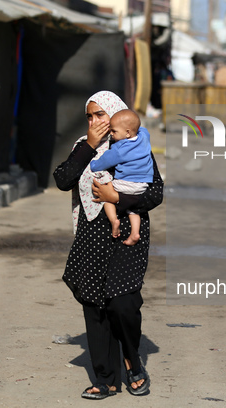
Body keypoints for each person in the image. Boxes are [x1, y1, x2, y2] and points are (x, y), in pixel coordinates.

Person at [53, 91, 163, 400]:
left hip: (128, 232)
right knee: (94, 305)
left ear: (116, 113)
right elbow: (63, 179)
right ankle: (106, 378)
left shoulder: (135, 142)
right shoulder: (83, 148)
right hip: (91, 234)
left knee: (122, 302)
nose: (96, 121)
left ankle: (132, 360)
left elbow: (155, 193)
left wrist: (119, 198)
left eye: (101, 114)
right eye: (90, 116)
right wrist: (88, 145)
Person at [90, 109, 153, 246]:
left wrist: (93, 164)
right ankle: (135, 233)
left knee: (106, 195)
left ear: (127, 132)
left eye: (114, 131)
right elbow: (142, 129)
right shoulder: (144, 137)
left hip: (125, 182)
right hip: (143, 184)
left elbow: (103, 162)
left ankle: (114, 221)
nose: (111, 134)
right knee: (133, 209)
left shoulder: (119, 149)